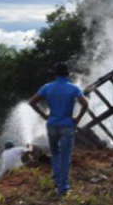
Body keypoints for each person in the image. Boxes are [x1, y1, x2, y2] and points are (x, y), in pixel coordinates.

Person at [29, 63, 89, 197]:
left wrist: (44, 115)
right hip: (67, 124)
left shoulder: (47, 87)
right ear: (67, 75)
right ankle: (63, 188)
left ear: (55, 75)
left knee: (55, 153)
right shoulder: (73, 88)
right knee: (65, 156)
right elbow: (85, 104)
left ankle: (57, 180)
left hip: (52, 124)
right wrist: (78, 118)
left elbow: (32, 102)